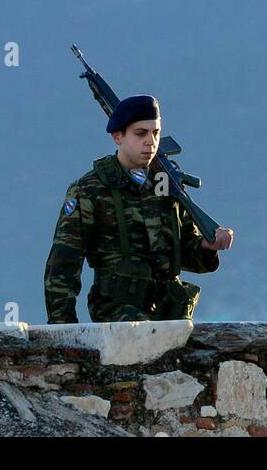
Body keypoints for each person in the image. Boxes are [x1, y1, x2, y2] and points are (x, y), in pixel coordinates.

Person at [45, 94, 234, 323]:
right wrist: (63, 327)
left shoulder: (165, 184)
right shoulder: (89, 189)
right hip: (119, 312)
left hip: (170, 311)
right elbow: (64, 263)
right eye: (140, 133)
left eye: (155, 133)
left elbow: (183, 252)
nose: (151, 142)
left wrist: (206, 246)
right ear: (117, 137)